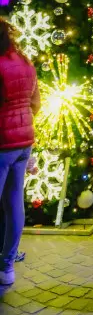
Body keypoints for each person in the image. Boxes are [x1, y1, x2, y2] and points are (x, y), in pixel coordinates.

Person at [0, 18, 40, 286]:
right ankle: (7, 267)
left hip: (2, 142)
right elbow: (35, 104)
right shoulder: (24, 62)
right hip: (23, 143)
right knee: (15, 205)